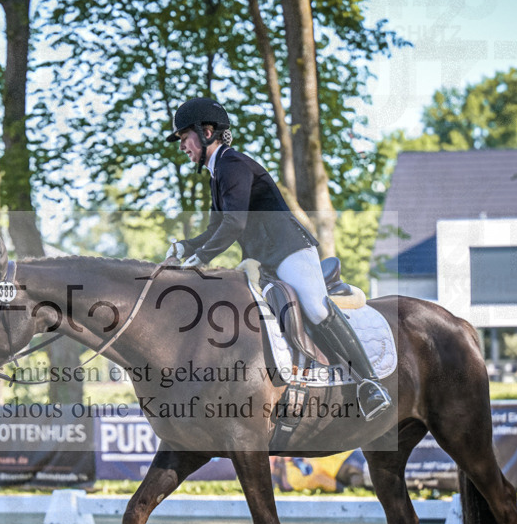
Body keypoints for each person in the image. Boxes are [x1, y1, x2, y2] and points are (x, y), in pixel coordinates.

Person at [164, 97, 391, 420]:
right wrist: (186, 247)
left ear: (207, 132)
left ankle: (369, 383)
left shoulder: (234, 165)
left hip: (289, 250)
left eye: (185, 137)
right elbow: (216, 228)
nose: (183, 146)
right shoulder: (218, 175)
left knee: (314, 305)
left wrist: (200, 257)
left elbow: (234, 224)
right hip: (264, 260)